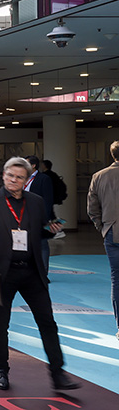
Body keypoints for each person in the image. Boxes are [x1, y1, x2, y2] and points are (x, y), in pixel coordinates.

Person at [0, 157, 79, 391]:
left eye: (19, 177)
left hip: (32, 271)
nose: (14, 180)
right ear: (3, 175)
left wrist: (51, 230)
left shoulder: (36, 201)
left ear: (26, 180)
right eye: (10, 175)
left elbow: (40, 231)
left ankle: (58, 373)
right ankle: (1, 370)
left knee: (47, 322)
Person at [87, 141, 119, 340]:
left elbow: (92, 209)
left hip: (112, 232)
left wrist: (103, 227)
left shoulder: (99, 176)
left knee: (116, 279)